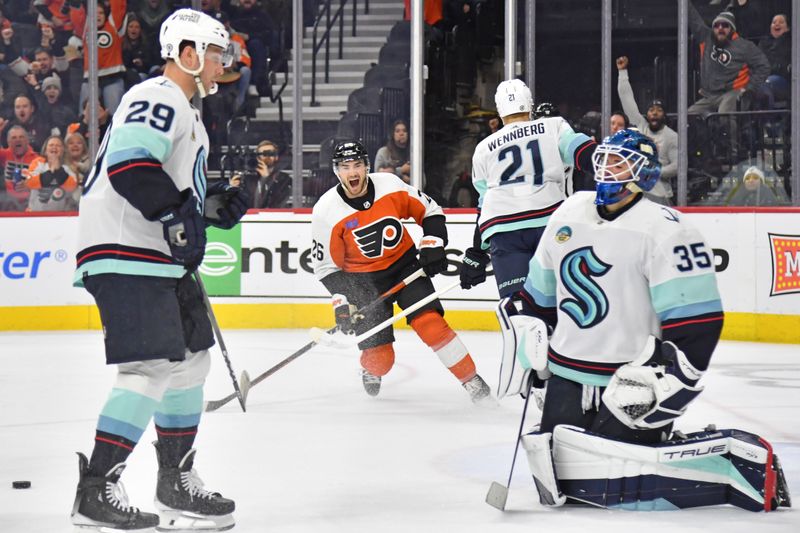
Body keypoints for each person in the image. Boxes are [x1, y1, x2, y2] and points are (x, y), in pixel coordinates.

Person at [498, 128, 790, 511]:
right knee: (567, 485)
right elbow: (538, 298)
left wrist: (673, 383)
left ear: (645, 174)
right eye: (604, 160)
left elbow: (697, 323)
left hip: (629, 380)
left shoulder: (668, 229)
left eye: (620, 162)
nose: (607, 169)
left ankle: (727, 458)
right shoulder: (567, 213)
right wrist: (532, 356)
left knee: (617, 488)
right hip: (567, 374)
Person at [70, 8, 249, 531]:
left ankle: (174, 481)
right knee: (149, 368)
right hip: (127, 249)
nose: (222, 64)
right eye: (215, 55)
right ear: (188, 54)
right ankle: (95, 488)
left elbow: (162, 177)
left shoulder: (186, 110)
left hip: (156, 255)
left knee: (192, 361)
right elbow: (130, 164)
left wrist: (203, 203)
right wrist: (174, 211)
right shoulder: (158, 95)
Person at [311, 140, 491, 402]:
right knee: (381, 360)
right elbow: (327, 266)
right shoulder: (326, 211)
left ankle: (472, 382)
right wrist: (343, 301)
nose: (353, 172)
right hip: (363, 283)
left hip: (405, 268)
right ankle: (370, 368)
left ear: (367, 166)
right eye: (346, 167)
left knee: (432, 325)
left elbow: (430, 210)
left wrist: (433, 243)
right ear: (337, 171)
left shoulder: (390, 185)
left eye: (358, 165)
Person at [459, 79, 596, 299]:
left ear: (499, 110)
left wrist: (477, 252)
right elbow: (584, 153)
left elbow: (484, 204)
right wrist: (611, 165)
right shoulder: (553, 126)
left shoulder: (484, 147)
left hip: (504, 230)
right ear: (529, 104)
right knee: (559, 304)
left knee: (517, 309)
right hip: (548, 222)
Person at [616, 55, 678, 204]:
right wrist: (622, 72)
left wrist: (653, 172)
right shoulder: (641, 126)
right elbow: (627, 99)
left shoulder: (671, 136)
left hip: (662, 195)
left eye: (659, 110)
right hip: (638, 193)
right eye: (651, 110)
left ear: (664, 114)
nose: (654, 113)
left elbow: (678, 166)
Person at [24, 134, 78, 211]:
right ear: (45, 150)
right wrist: (51, 173)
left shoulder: (69, 167)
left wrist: (58, 171)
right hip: (35, 214)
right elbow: (30, 182)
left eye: (58, 145)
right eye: (51, 145)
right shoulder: (37, 163)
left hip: (59, 216)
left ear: (63, 150)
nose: (54, 147)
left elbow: (72, 187)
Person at [0, 125, 40, 211]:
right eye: (14, 138)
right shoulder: (5, 154)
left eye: (21, 137)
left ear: (27, 140)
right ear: (9, 142)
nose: (18, 140)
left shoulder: (36, 159)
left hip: (30, 203)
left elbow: (44, 182)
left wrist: (30, 185)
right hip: (8, 203)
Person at [756, 13, 791, 110]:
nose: (777, 24)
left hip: (783, 80)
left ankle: (768, 121)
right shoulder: (763, 42)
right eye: (774, 22)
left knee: (766, 84)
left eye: (781, 22)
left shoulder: (791, 41)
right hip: (763, 78)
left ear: (787, 28)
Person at [245, 139, 291, 208]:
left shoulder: (284, 178)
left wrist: (267, 179)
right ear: (258, 157)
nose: (267, 156)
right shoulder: (249, 179)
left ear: (276, 157)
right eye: (264, 154)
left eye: (271, 153)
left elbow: (277, 203)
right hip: (252, 217)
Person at [375, 119, 411, 183]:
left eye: (404, 131)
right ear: (392, 134)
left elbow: (423, 181)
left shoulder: (413, 153)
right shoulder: (384, 152)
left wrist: (411, 181)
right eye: (397, 131)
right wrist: (401, 171)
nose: (401, 133)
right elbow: (378, 176)